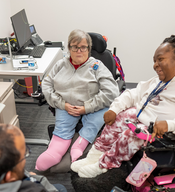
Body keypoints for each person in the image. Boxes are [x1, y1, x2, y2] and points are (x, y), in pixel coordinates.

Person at [71, 33, 175, 178]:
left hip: (164, 135)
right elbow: (134, 93)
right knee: (120, 117)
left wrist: (170, 125)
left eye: (160, 60)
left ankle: (103, 165)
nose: (155, 65)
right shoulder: (163, 79)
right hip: (145, 120)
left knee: (133, 134)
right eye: (154, 61)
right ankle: (93, 157)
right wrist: (115, 109)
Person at [36, 29, 119, 171]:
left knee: (97, 120)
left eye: (83, 47)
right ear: (69, 48)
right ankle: (54, 151)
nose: (79, 51)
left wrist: (87, 107)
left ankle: (80, 145)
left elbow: (112, 91)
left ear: (89, 49)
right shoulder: (61, 64)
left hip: (94, 106)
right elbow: (46, 85)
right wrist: (62, 104)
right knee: (62, 129)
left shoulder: (97, 66)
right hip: (66, 106)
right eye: (75, 47)